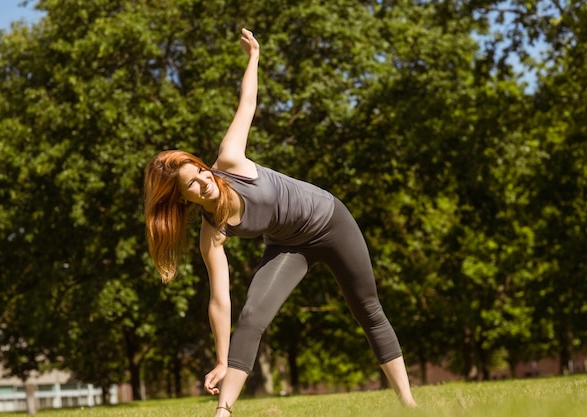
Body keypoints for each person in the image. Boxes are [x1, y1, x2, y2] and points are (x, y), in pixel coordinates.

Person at [143, 28, 417, 416]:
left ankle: (408, 404)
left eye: (201, 172)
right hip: (289, 244)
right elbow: (220, 301)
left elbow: (247, 103)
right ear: (182, 199)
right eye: (193, 185)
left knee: (367, 309)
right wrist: (222, 360)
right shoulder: (213, 232)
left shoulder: (230, 161)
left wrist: (253, 56)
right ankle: (224, 411)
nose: (205, 181)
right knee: (253, 314)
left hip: (331, 220)